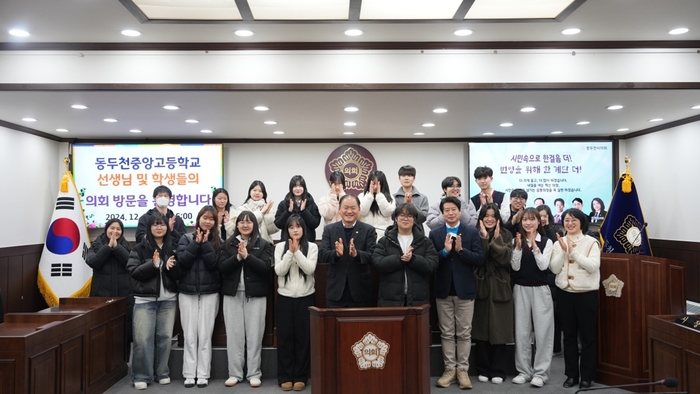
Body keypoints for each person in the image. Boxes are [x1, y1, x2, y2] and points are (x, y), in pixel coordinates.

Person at [429, 196, 485, 389]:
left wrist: (461, 251)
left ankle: (463, 370)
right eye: (447, 210)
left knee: (464, 333)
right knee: (446, 333)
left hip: (465, 291)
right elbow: (431, 263)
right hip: (443, 290)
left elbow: (479, 259)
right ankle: (449, 370)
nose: (450, 213)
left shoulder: (471, 232)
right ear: (442, 213)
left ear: (459, 211)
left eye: (454, 209)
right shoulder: (435, 234)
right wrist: (444, 252)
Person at [218, 211, 274, 388]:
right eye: (241, 222)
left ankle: (254, 373)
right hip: (232, 295)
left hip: (255, 296)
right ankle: (234, 373)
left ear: (254, 225)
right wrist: (237, 257)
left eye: (249, 222)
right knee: (234, 336)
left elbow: (265, 268)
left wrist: (247, 257)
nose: (245, 225)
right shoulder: (228, 244)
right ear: (236, 225)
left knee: (254, 335)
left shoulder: (263, 244)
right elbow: (222, 267)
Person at [126, 213, 181, 390]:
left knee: (165, 338)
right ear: (149, 228)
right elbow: (133, 271)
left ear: (167, 227)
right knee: (143, 339)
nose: (159, 227)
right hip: (144, 300)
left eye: (162, 224)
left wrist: (169, 268)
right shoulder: (140, 248)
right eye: (155, 225)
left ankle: (162, 372)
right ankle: (141, 375)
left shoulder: (173, 247)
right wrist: (154, 264)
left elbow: (179, 274)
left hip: (169, 299)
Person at [549, 208, 601, 390]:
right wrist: (563, 252)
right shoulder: (558, 243)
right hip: (564, 294)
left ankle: (587, 376)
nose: (569, 224)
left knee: (587, 337)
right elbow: (554, 269)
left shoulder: (591, 242)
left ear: (581, 223)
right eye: (566, 220)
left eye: (573, 220)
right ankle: (571, 375)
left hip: (586, 295)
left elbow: (593, 267)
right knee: (568, 337)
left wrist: (573, 253)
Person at [175, 205, 222, 388]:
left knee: (205, 335)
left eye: (211, 219)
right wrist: (196, 243)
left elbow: (215, 265)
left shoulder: (218, 242)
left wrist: (205, 244)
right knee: (189, 335)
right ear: (198, 219)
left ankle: (203, 374)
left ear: (215, 222)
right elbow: (183, 262)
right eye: (205, 217)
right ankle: (189, 373)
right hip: (187, 293)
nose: (207, 221)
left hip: (210, 293)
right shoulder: (185, 238)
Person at [510, 207, 554, 388]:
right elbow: (515, 268)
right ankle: (524, 371)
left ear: (539, 221)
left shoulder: (546, 241)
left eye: (532, 219)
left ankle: (541, 373)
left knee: (543, 332)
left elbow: (544, 266)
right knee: (521, 332)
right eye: (525, 220)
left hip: (541, 289)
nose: (528, 223)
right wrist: (518, 248)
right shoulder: (516, 240)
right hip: (520, 289)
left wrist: (535, 247)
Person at [274, 215, 318, 392]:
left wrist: (297, 252)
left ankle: (300, 376)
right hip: (284, 298)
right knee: (285, 338)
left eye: (298, 226)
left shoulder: (312, 247)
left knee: (303, 338)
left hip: (305, 297)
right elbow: (279, 270)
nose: (295, 230)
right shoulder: (279, 247)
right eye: (291, 227)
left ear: (303, 229)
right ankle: (285, 376)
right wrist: (289, 253)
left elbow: (310, 269)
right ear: (286, 230)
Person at [472, 203, 514, 385]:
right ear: (481, 217)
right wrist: (483, 238)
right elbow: (478, 257)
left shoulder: (506, 234)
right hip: (481, 284)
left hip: (500, 284)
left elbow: (505, 259)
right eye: (486, 215)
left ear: (498, 218)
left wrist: (496, 240)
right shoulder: (473, 233)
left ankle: (499, 370)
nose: (489, 219)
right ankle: (483, 369)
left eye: (493, 216)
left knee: (500, 330)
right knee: (481, 330)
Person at [372, 203, 438, 306]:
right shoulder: (385, 241)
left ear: (414, 219)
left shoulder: (425, 241)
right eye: (402, 215)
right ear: (395, 219)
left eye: (409, 216)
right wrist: (399, 259)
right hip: (390, 298)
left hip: (418, 299)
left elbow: (431, 265)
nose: (405, 219)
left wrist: (413, 259)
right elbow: (378, 263)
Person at [319, 194, 377, 307]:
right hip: (336, 291)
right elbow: (322, 255)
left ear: (359, 209)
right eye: (345, 207)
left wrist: (356, 254)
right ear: (339, 209)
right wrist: (335, 254)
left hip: (360, 291)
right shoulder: (329, 230)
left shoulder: (368, 230)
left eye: (353, 208)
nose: (349, 211)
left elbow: (372, 255)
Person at [86, 218, 133, 349]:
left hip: (124, 297)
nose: (115, 231)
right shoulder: (96, 245)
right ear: (106, 229)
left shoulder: (127, 246)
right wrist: (107, 248)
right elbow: (93, 262)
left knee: (123, 334)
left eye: (118, 229)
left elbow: (130, 263)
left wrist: (117, 248)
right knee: (101, 333)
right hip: (101, 296)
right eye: (112, 228)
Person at [536, 204, 564, 356]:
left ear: (548, 217)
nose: (542, 219)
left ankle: (556, 347)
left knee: (554, 315)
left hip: (551, 278)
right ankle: (552, 346)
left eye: (544, 216)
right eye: (539, 216)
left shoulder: (553, 231)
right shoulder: (533, 232)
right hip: (541, 277)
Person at [275, 175, 321, 242]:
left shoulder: (311, 203)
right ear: (291, 188)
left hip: (307, 242)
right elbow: (278, 224)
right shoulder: (284, 204)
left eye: (300, 186)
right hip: (288, 242)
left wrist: (304, 211)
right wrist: (288, 211)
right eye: (295, 186)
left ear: (304, 188)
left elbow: (315, 224)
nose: (298, 189)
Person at [359, 170, 396, 239]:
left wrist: (379, 195)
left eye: (378, 184)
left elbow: (387, 212)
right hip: (366, 235)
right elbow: (362, 212)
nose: (375, 187)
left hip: (384, 236)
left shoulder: (390, 197)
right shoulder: (362, 196)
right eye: (373, 183)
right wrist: (370, 195)